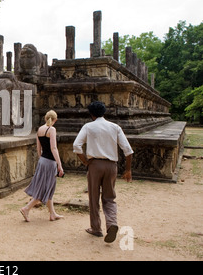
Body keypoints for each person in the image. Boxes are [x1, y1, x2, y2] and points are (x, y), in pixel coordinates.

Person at [73, 101, 133, 243]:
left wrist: (86, 161)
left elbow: (76, 145)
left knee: (94, 198)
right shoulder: (115, 127)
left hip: (95, 165)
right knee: (109, 198)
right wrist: (128, 170)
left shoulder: (88, 126)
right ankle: (112, 223)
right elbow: (128, 151)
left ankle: (96, 228)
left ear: (91, 114)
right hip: (111, 165)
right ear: (104, 112)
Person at [20, 110, 64, 222]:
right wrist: (59, 165)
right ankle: (26, 208)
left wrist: (41, 159)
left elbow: (38, 148)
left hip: (43, 160)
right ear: (55, 120)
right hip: (50, 162)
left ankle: (52, 214)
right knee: (45, 188)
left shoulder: (40, 129)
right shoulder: (52, 129)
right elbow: (54, 148)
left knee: (48, 188)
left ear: (45, 118)